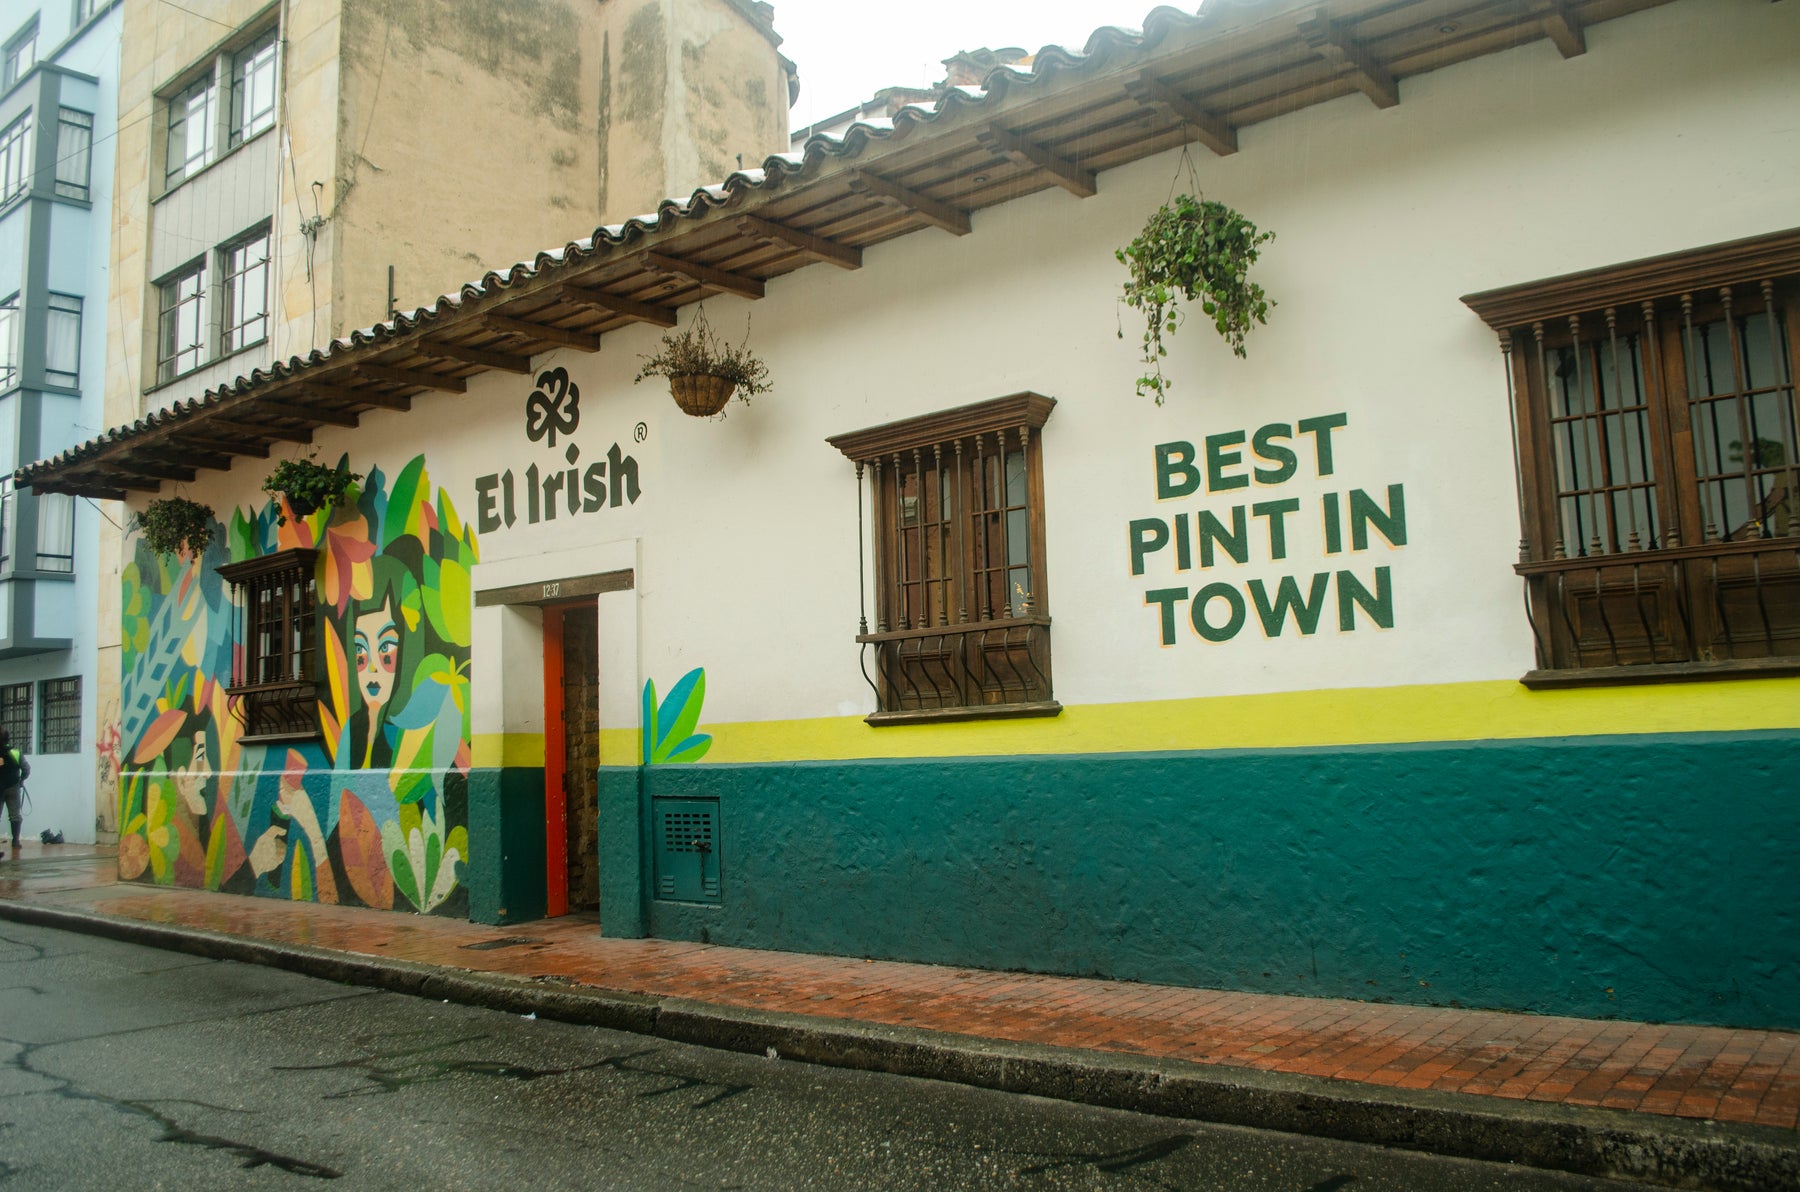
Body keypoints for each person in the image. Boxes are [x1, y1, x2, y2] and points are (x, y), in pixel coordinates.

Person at [0, 729, 29, 859]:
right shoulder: (15, 752)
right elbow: (26, 769)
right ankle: (15, 841)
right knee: (15, 815)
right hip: (13, 787)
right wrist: (21, 779)